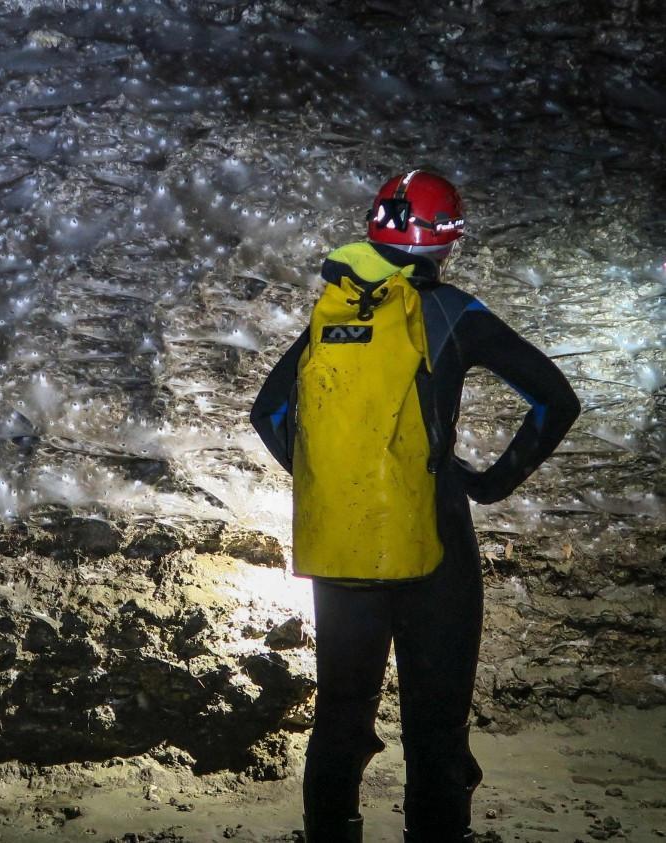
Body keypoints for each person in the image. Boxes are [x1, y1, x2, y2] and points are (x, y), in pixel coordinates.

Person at [249, 170, 580, 842]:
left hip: (345, 550)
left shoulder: (332, 314)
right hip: (435, 546)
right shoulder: (454, 313)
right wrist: (490, 483)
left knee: (342, 716)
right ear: (446, 242)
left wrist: (330, 486)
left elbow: (268, 413)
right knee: (435, 726)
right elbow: (555, 400)